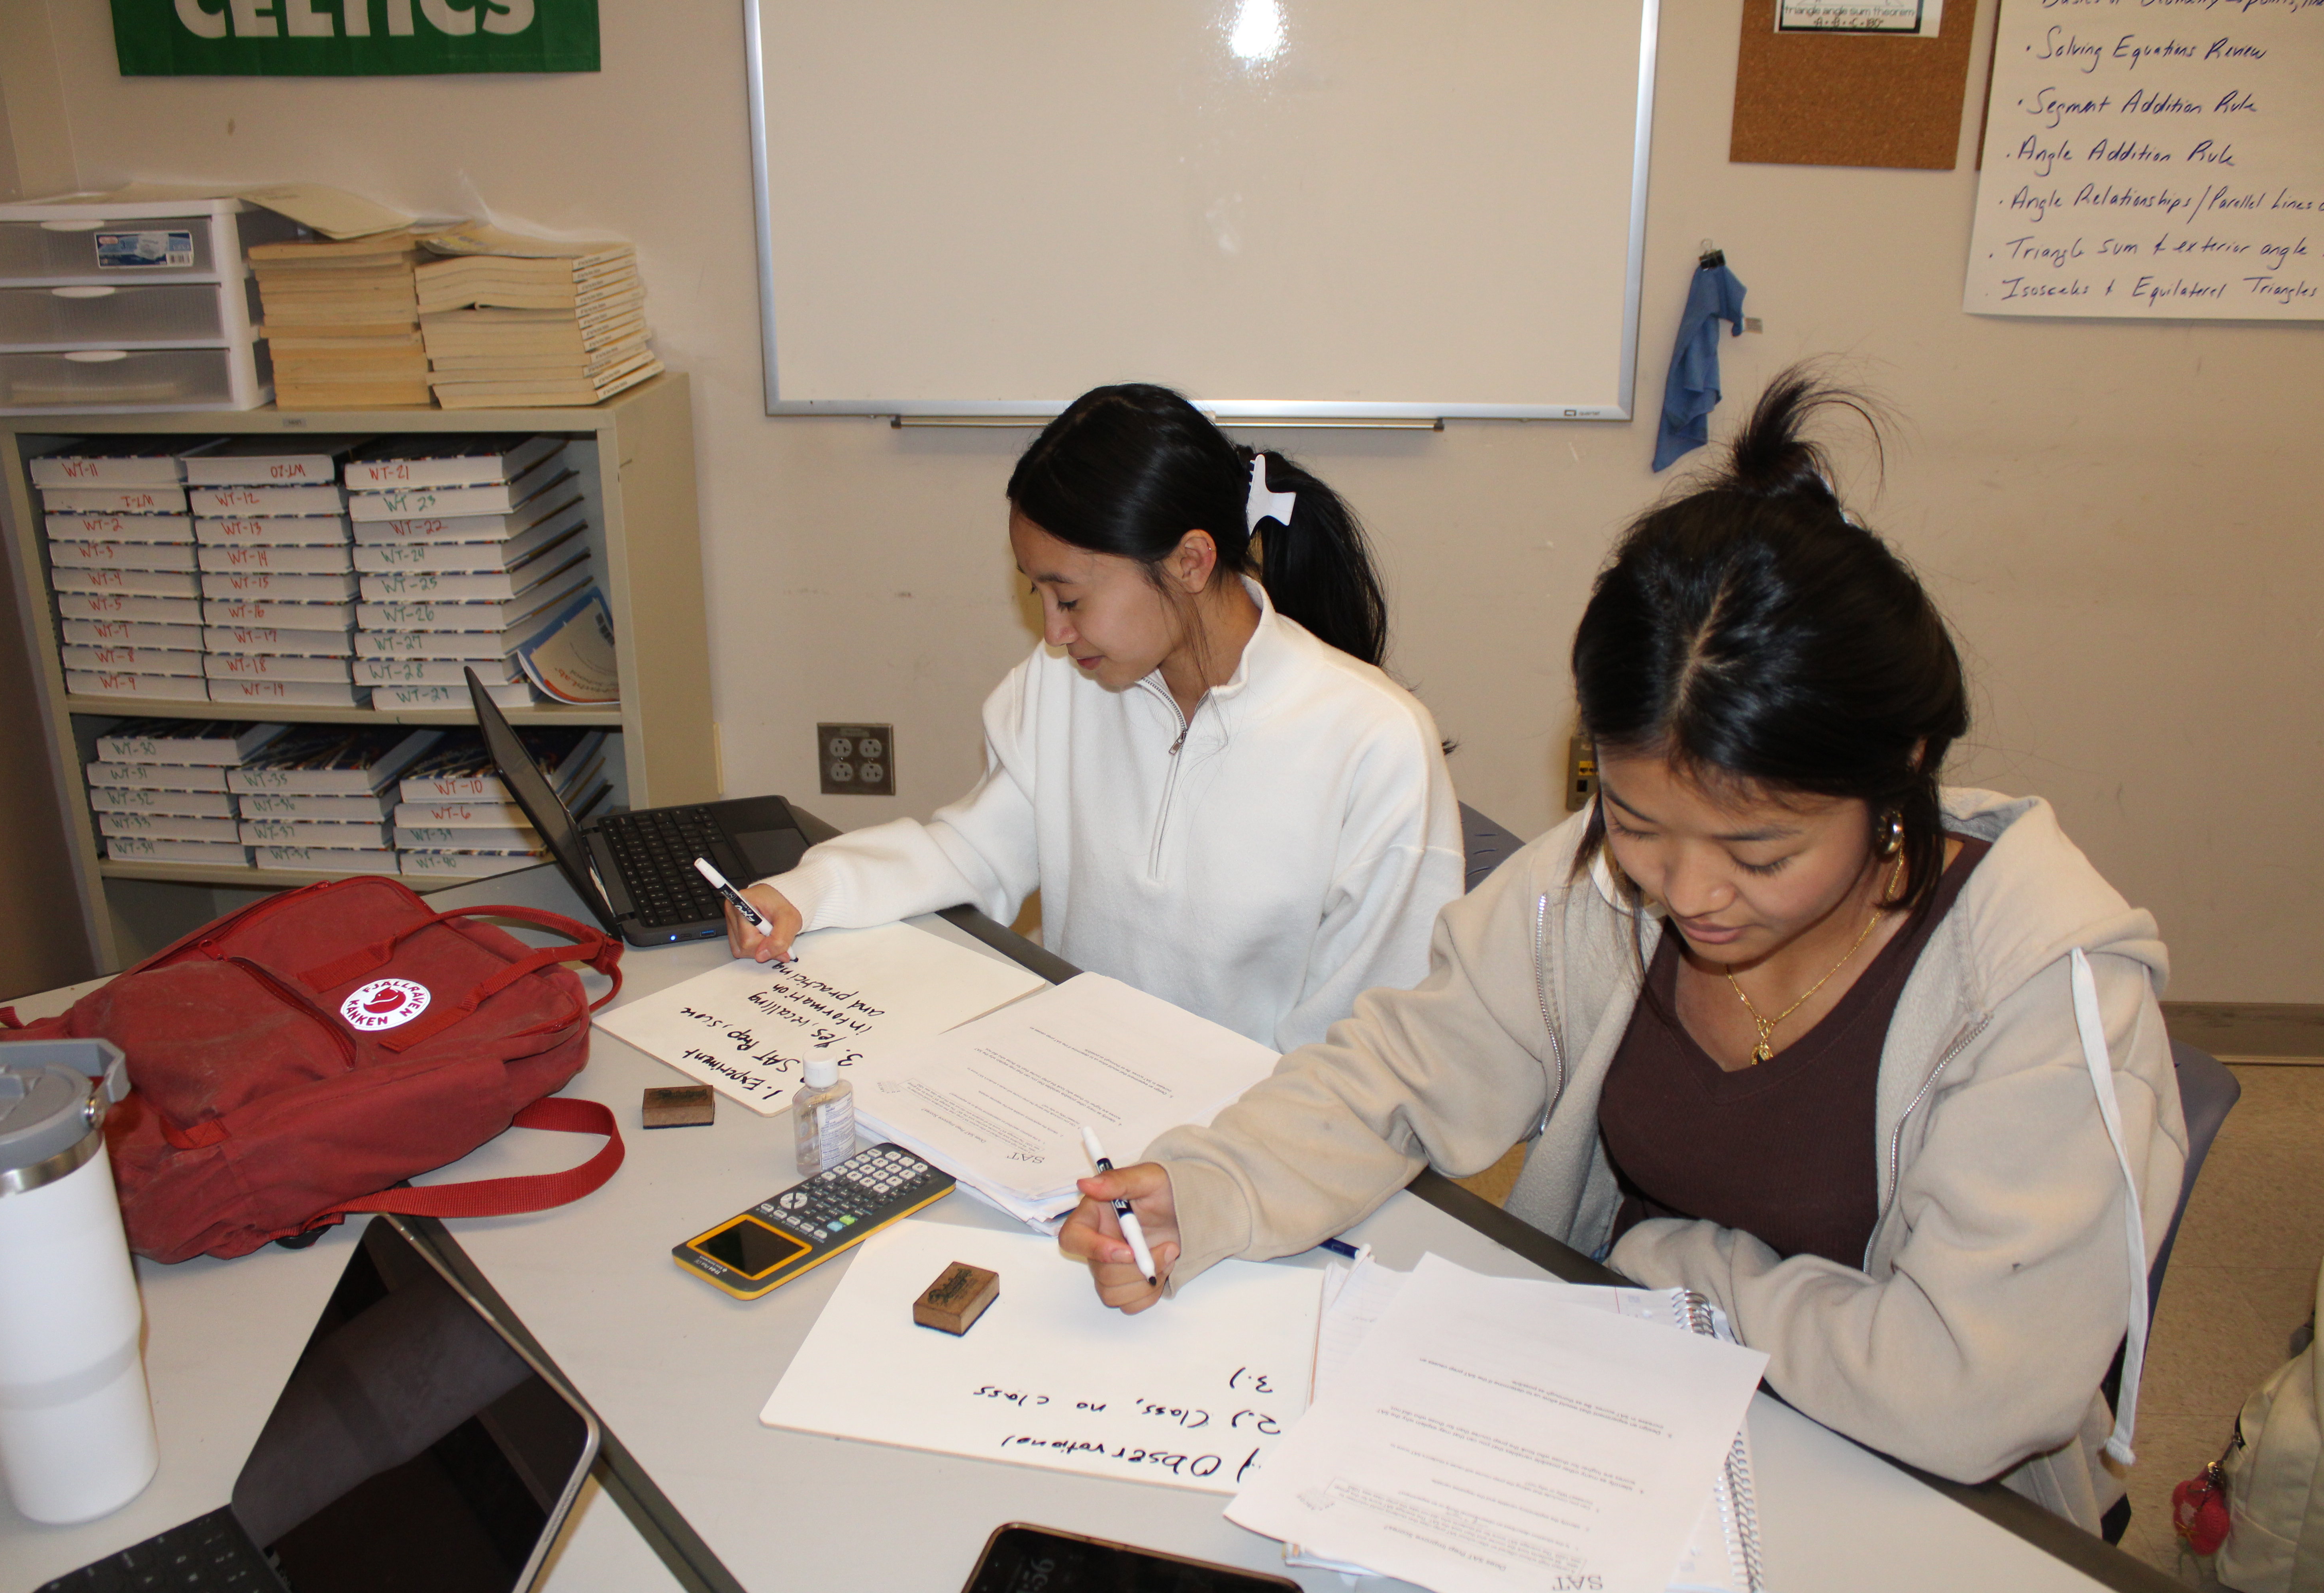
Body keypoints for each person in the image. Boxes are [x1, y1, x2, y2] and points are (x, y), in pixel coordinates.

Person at [1059, 371, 2187, 1534]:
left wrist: (1680, 1267)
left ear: (1895, 770)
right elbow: (1399, 1071)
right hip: (1630, 1424)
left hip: (1921, 1505)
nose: (1689, 895)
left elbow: (1966, 1393)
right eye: (1641, 824)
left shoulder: (2039, 992)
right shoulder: (1595, 888)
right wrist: (1214, 1188)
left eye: (1759, 850)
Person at [729, 383, 1464, 1052]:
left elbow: (1368, 1049)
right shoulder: (1062, 686)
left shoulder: (1373, 743)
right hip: (1077, 1095)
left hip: (1249, 1147)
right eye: (1037, 596)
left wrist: (1220, 1170)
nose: (1052, 633)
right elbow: (973, 851)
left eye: (1070, 599)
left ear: (1192, 562)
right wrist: (806, 893)